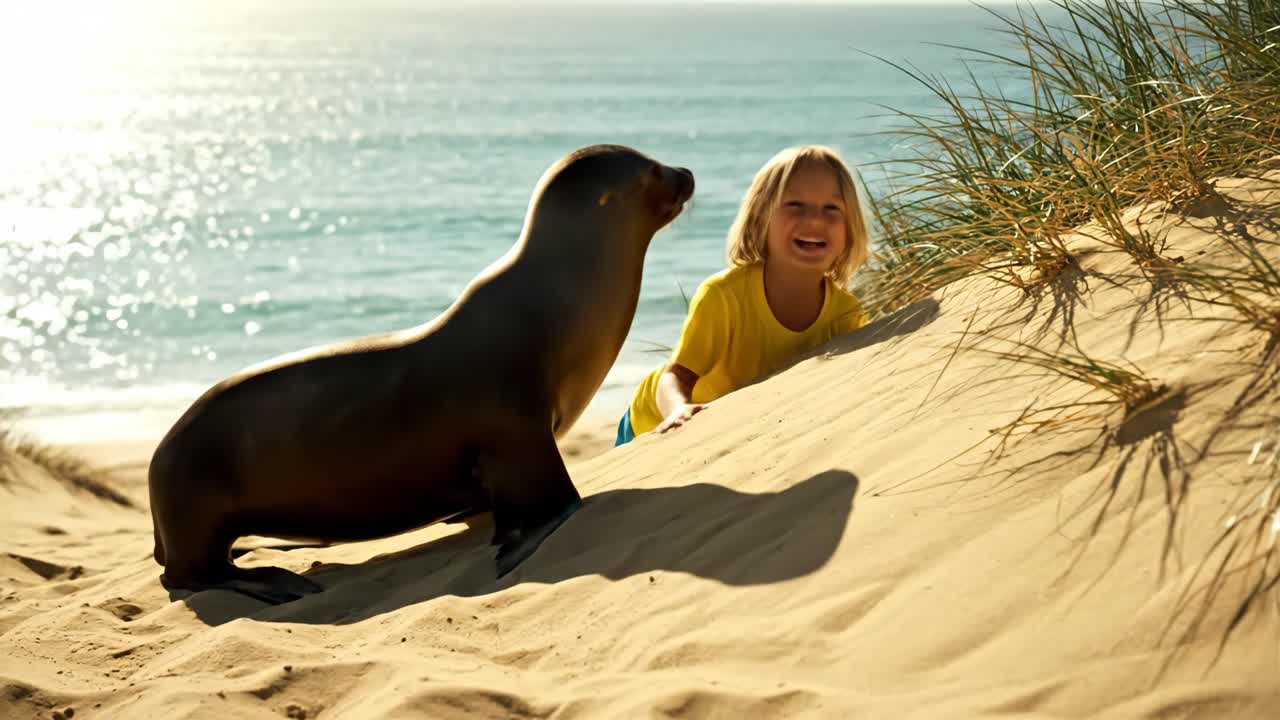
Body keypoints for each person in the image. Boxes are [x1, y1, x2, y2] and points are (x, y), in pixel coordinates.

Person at [615, 145, 871, 446]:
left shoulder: (845, 313)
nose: (815, 220)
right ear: (761, 217)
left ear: (850, 228)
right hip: (654, 423)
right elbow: (675, 376)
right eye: (795, 205)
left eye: (832, 209)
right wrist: (678, 411)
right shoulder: (724, 296)